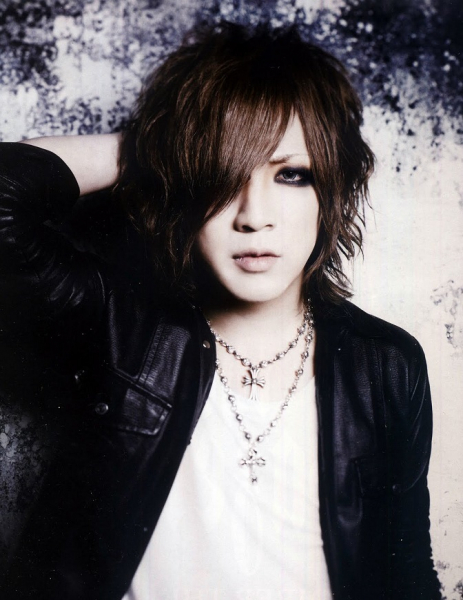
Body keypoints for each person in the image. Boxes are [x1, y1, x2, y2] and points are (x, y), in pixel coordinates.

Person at [0, 23, 441, 600]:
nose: (254, 215)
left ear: (331, 189)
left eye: (291, 175)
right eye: (221, 175)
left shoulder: (385, 366)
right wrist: (158, 146)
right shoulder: (121, 328)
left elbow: (407, 573)